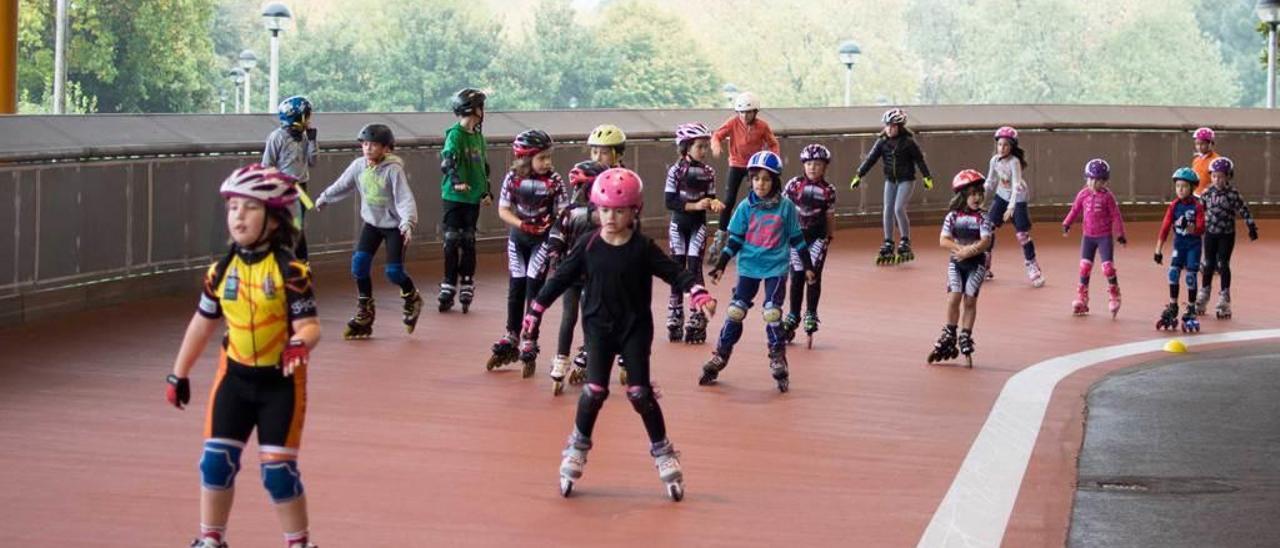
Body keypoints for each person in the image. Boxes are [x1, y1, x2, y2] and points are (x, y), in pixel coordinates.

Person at [519, 168, 718, 501]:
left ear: (634, 212)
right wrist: (536, 310)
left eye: (619, 210)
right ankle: (577, 446)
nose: (610, 217)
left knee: (640, 393)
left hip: (635, 329)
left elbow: (673, 272)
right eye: (605, 209)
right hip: (598, 328)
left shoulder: (642, 248)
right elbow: (560, 278)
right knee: (595, 391)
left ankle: (663, 451)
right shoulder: (588, 244)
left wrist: (698, 293)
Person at [165, 164, 320, 548]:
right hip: (233, 379)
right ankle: (210, 539)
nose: (238, 216)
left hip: (280, 385)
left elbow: (310, 327)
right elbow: (202, 324)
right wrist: (178, 374)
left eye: (250, 208)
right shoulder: (220, 271)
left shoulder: (291, 271)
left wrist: (300, 343)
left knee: (278, 474)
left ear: (274, 218)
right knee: (215, 464)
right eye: (233, 207)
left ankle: (299, 543)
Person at [699, 151, 814, 393]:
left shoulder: (786, 208)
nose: (760, 184)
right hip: (749, 266)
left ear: (775, 181)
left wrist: (809, 267)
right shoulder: (745, 207)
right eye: (756, 179)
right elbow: (735, 241)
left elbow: (798, 240)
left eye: (766, 179)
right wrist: (720, 265)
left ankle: (777, 356)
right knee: (736, 311)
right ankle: (721, 354)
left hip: (776, 267)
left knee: (772, 313)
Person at [313, 124, 421, 338]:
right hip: (372, 224)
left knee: (393, 273)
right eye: (364, 144)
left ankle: (411, 297)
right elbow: (342, 184)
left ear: (386, 149)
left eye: (373, 145)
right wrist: (325, 197)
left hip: (394, 227)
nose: (368, 148)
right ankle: (365, 311)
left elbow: (404, 198)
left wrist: (407, 222)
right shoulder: (359, 166)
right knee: (359, 264)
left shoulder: (393, 170)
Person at [485, 130, 567, 377]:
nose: (548, 163)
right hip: (518, 239)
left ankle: (530, 337)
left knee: (534, 289)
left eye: (549, 158)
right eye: (542, 158)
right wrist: (522, 225)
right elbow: (503, 210)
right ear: (525, 158)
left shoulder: (554, 180)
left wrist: (554, 228)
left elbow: (564, 212)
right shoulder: (512, 178)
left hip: (541, 241)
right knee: (515, 288)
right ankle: (511, 334)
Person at [542, 160, 606, 395]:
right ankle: (564, 357)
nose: (577, 192)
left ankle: (574, 356)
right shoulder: (582, 213)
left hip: (588, 274)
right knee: (575, 316)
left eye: (581, 187)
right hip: (576, 274)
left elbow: (557, 236)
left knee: (582, 316)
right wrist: (554, 255)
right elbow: (557, 236)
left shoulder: (592, 213)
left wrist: (555, 255)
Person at [663, 122, 724, 343]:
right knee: (677, 267)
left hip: (698, 225)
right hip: (679, 224)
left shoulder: (709, 172)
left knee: (695, 266)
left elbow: (711, 196)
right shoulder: (675, 171)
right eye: (700, 146)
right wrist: (696, 205)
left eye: (706, 146)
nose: (704, 151)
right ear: (686, 147)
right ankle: (675, 308)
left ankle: (698, 312)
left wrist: (714, 204)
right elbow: (670, 202)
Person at [927, 169, 994, 367]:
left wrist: (968, 251)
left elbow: (985, 242)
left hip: (976, 264)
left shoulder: (983, 218)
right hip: (957, 262)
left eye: (979, 193)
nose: (977, 197)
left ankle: (965, 334)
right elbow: (943, 240)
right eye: (972, 193)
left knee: (970, 300)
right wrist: (960, 250)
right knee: (954, 297)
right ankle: (950, 330)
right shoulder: (953, 216)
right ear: (963, 195)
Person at [850, 108, 934, 265]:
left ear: (900, 127)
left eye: (893, 126)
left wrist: (927, 177)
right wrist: (859, 175)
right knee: (887, 209)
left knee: (898, 208)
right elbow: (870, 159)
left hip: (906, 180)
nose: (889, 129)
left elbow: (919, 160)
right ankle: (888, 241)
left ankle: (905, 240)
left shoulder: (908, 142)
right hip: (890, 180)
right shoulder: (882, 142)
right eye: (887, 125)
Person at [707, 91, 780, 263]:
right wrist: (716, 146)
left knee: (755, 200)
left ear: (755, 112)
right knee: (729, 200)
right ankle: (720, 237)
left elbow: (773, 143)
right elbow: (716, 135)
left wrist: (772, 159)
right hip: (736, 164)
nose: (744, 116)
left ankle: (755, 236)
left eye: (748, 112)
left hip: (753, 167)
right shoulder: (733, 123)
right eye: (741, 112)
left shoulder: (762, 126)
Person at [438, 87, 491, 313]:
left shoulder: (479, 137)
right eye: (482, 107)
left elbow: (483, 168)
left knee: (468, 240)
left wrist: (487, 191)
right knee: (451, 240)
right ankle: (449, 282)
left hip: (472, 198)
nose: (483, 111)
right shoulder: (455, 135)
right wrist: (457, 180)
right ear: (474, 110)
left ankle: (467, 280)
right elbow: (447, 160)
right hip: (453, 195)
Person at [781, 144, 837, 348]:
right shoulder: (794, 185)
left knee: (812, 274)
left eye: (818, 164)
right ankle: (794, 313)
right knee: (796, 275)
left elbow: (830, 215)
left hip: (817, 238)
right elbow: (784, 210)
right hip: (796, 238)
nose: (813, 168)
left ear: (825, 167)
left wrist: (830, 235)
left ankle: (811, 311)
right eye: (809, 164)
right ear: (803, 165)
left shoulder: (828, 190)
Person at [1062, 159, 1127, 317]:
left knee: (1108, 267)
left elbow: (1116, 216)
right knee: (1084, 267)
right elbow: (1075, 209)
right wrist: (1067, 223)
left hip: (1103, 236)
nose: (1093, 183)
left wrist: (1120, 234)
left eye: (1098, 180)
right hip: (1088, 237)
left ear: (1104, 181)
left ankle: (1114, 294)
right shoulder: (1083, 194)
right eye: (1090, 179)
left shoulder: (1108, 197)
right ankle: (1082, 299)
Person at [1196, 157, 1259, 319]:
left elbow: (1244, 210)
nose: (1217, 180)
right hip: (1210, 233)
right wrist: (1195, 225)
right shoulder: (1207, 193)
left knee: (1223, 263)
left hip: (1226, 234)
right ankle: (1204, 293)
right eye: (1214, 176)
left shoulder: (1233, 194)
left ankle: (1224, 297)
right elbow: (1199, 211)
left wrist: (1251, 226)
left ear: (1229, 176)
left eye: (1221, 176)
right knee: (1208, 263)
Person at [984, 126, 1044, 287]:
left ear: (1012, 147)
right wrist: (979, 195)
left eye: (1006, 145)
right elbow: (990, 182)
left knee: (1022, 235)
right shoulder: (994, 160)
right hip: (1002, 195)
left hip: (1018, 198)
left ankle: (1032, 266)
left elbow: (1017, 185)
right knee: (988, 228)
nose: (1002, 148)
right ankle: (985, 264)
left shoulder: (1014, 162)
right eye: (1000, 144)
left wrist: (1011, 208)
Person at [261, 95, 317, 260]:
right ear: (298, 117)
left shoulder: (305, 137)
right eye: (307, 116)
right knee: (280, 225)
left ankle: (302, 262)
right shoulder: (277, 137)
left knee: (297, 227)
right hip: (282, 188)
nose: (309, 120)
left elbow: (313, 162)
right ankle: (278, 260)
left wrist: (313, 142)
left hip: (301, 188)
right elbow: (267, 165)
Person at [1153, 168, 1206, 332]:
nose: (1180, 190)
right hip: (1179, 245)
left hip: (1193, 246)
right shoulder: (1174, 206)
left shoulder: (1197, 206)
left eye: (1184, 186)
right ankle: (1173, 305)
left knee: (1190, 276)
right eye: (1177, 186)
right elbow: (1165, 228)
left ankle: (1191, 308)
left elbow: (1201, 228)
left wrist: (1189, 227)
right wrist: (1158, 250)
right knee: (1173, 273)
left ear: (1192, 188)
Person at [1190, 127, 1221, 197]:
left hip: (1210, 196)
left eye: (1202, 144)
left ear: (1210, 144)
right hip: (1196, 195)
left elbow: (1220, 180)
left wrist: (1209, 189)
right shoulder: (1196, 160)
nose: (1199, 147)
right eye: (1197, 144)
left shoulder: (1216, 160)